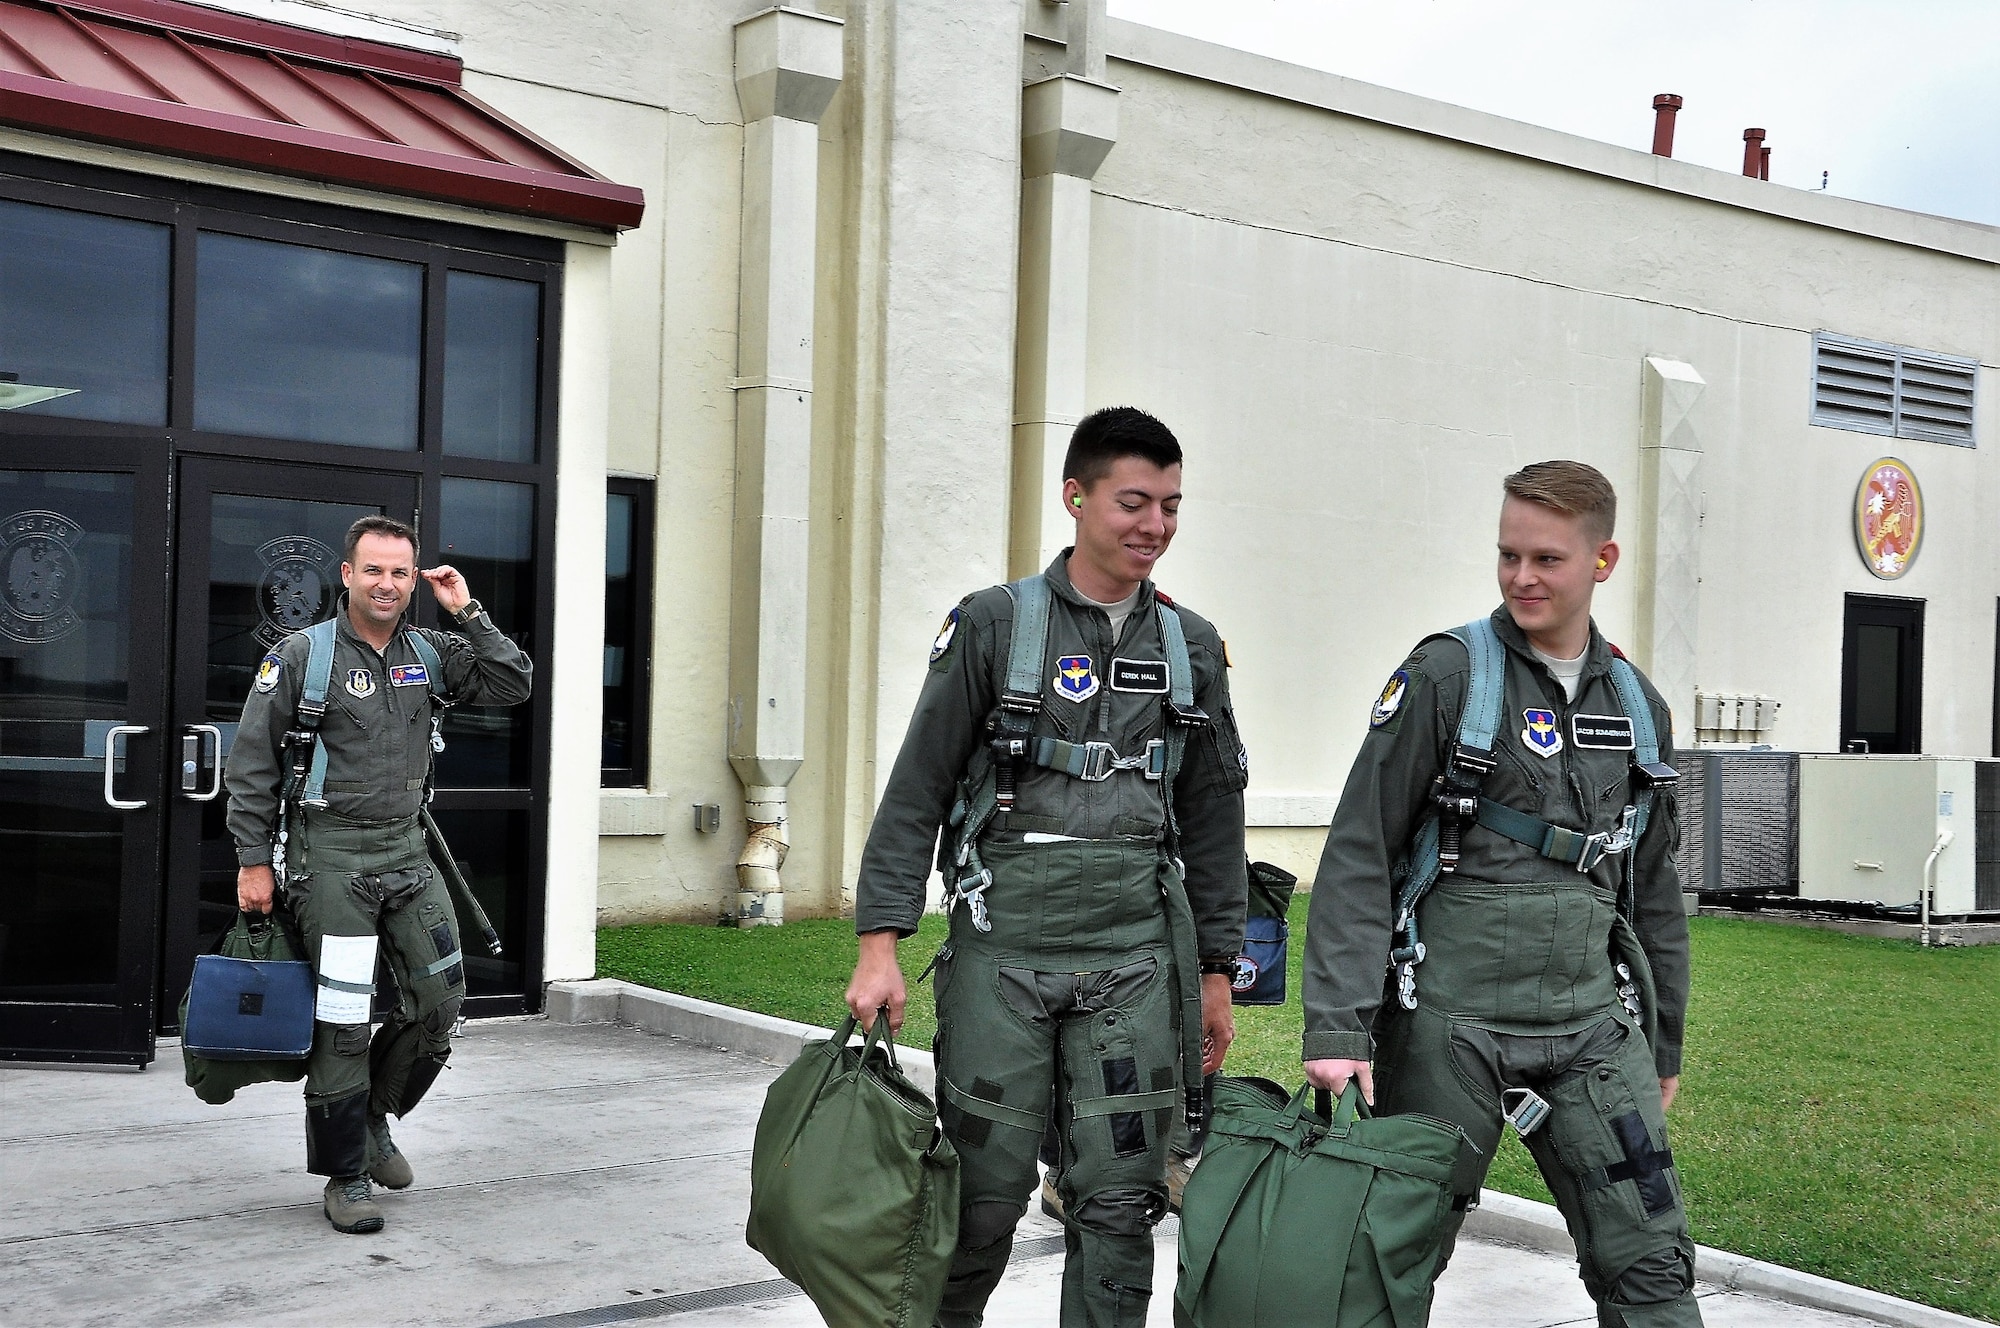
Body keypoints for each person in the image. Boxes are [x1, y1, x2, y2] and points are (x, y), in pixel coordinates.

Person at [845, 406, 1249, 1328]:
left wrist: (1217, 973)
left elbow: (1214, 820)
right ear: (1075, 497)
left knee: (1119, 1202)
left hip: (1137, 961)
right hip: (1006, 953)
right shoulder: (993, 627)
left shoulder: (1191, 649)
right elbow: (916, 790)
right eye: (1133, 503)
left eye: (1172, 507)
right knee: (979, 1196)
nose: (1155, 527)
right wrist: (880, 945)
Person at [1302, 461, 1702, 1328]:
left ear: (1603, 560)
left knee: (1653, 1260)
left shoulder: (1640, 706)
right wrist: (1336, 1026)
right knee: (1386, 1266)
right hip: (1451, 1025)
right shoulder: (1447, 679)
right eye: (1508, 554)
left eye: (1547, 559)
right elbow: (1360, 850)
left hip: (1594, 1025)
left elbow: (1653, 886)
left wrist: (1662, 1042)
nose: (1522, 577)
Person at [225, 515, 533, 1235]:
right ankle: (346, 1176)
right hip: (327, 858)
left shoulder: (429, 651)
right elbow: (251, 765)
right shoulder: (304, 655)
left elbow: (512, 682)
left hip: (406, 851)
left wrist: (468, 608)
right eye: (374, 570)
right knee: (344, 1021)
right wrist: (251, 862)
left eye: (401, 572)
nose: (387, 584)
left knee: (441, 1001)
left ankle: (371, 1116)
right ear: (347, 575)